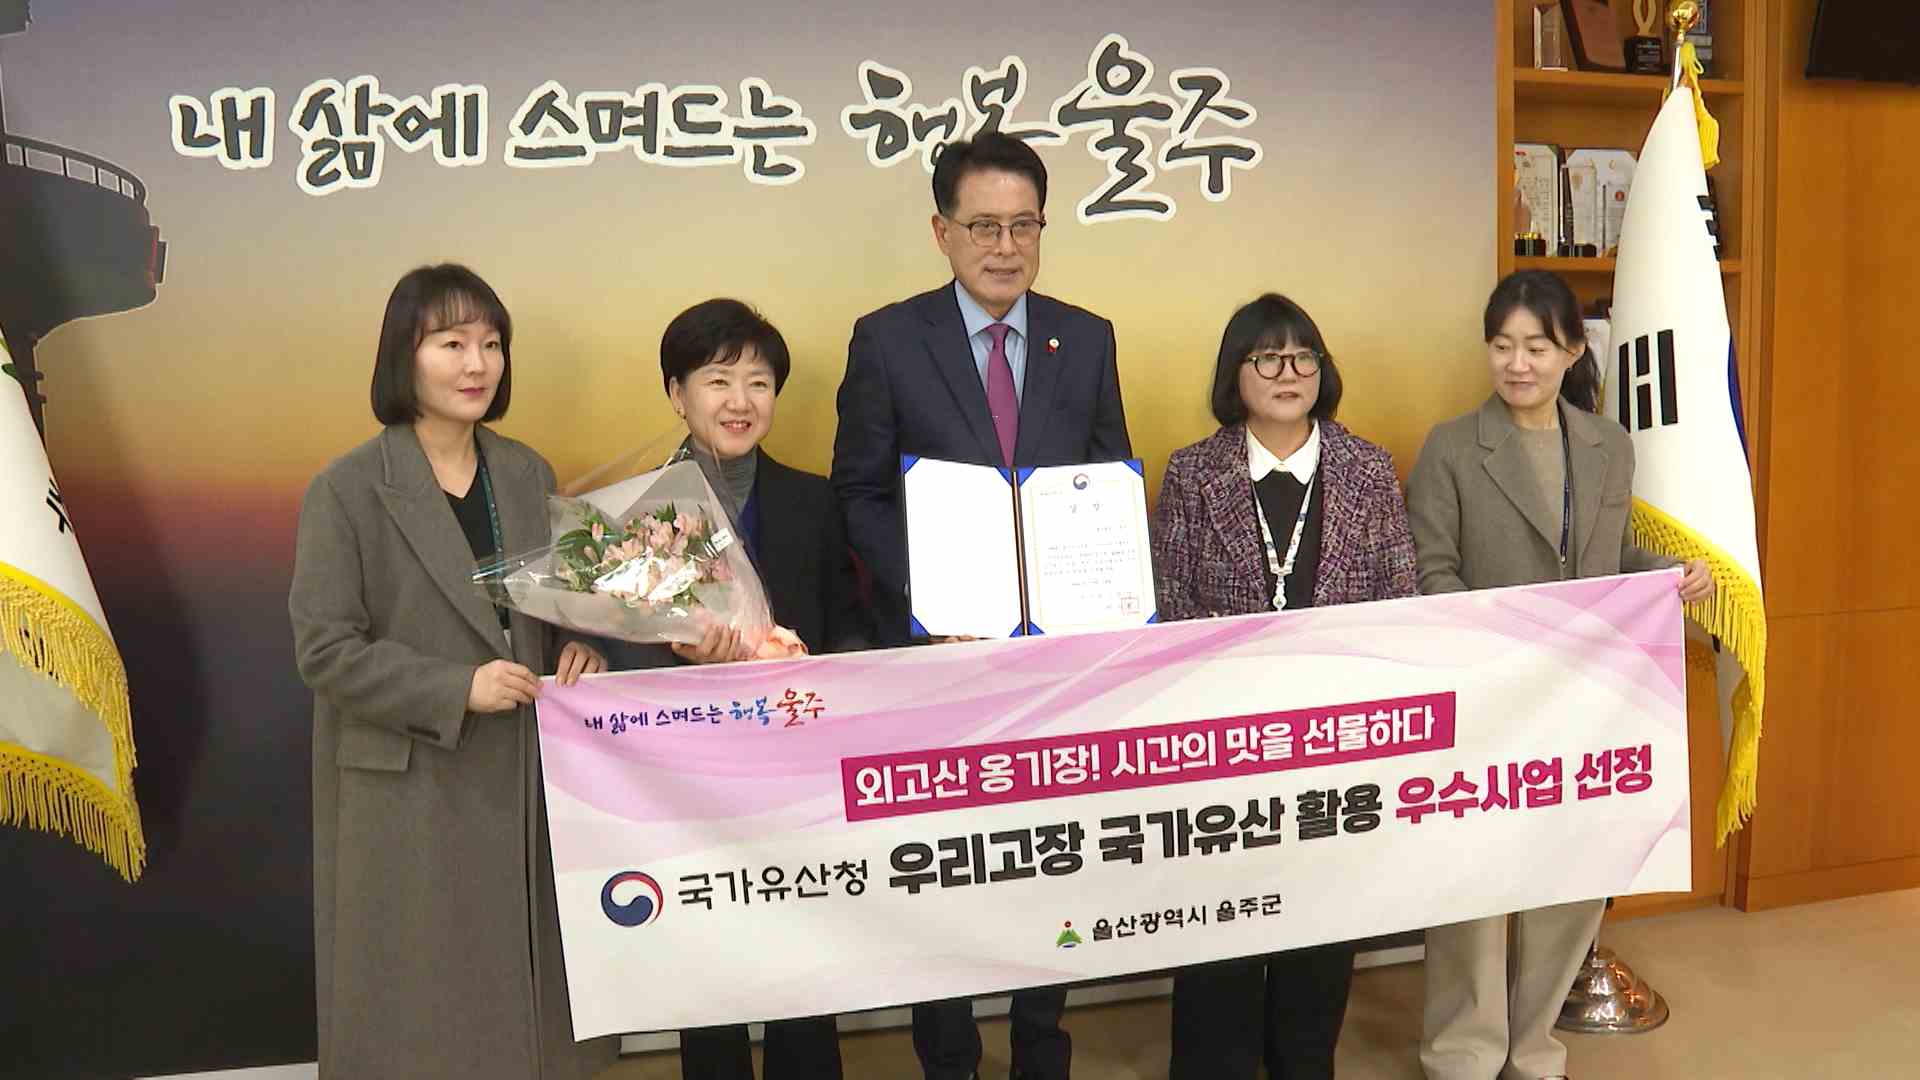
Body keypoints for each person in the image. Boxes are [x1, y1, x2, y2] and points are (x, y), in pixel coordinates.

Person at [830, 131, 1131, 1080]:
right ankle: (949, 1057)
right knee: (947, 865)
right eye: (984, 226)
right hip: (938, 652)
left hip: (1056, 659)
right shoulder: (888, 339)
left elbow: (1107, 480)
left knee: (1051, 859)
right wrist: (934, 598)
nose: (1005, 247)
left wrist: (1099, 594)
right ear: (942, 231)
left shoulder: (1086, 337)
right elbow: (859, 492)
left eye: (1024, 226)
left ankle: (1043, 1047)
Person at [289, 264, 615, 1079]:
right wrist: (456, 688)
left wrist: (581, 650)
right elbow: (324, 649)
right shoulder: (347, 488)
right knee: (422, 1015)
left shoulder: (526, 472)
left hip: (522, 774)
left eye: (492, 344)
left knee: (525, 1018)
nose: (477, 364)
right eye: (452, 343)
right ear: (403, 357)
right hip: (412, 784)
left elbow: (551, 608)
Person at [1406, 269, 1714, 1080]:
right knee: (1474, 886)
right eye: (1502, 345)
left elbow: (1608, 562)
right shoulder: (1450, 446)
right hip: (1486, 697)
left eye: (1537, 347)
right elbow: (1431, 573)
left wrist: (1670, 575)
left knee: (1570, 875)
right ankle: (1464, 1053)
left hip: (1589, 697)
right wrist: (1508, 648)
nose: (1518, 364)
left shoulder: (1609, 445)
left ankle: (1534, 1047)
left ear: (1574, 351)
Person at [1150, 293, 1417, 1080]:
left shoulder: (1368, 470)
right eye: (1267, 357)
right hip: (1224, 746)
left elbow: (1399, 600)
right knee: (1220, 930)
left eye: (1304, 357)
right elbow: (1170, 607)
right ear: (1235, 374)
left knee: (1320, 932)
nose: (1287, 372)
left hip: (1334, 744)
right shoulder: (1194, 472)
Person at [605, 297, 868, 1079]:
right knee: (709, 965)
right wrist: (676, 656)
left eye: (758, 382)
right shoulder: (638, 512)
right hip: (688, 777)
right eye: (717, 381)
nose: (740, 401)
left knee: (806, 957)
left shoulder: (813, 500)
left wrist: (810, 662)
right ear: (676, 393)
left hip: (796, 764)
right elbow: (611, 646)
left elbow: (849, 621)